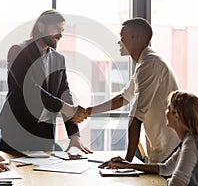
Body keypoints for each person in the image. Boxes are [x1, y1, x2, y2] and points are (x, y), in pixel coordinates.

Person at [74, 17, 180, 163]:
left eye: (122, 36)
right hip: (162, 148)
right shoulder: (144, 63)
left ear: (136, 38)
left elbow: (135, 117)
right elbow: (123, 98)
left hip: (170, 148)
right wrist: (88, 111)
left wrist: (127, 161)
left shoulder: (150, 64)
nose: (119, 41)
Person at [0, 9, 92, 154]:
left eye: (62, 30)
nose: (60, 34)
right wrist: (66, 108)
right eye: (56, 29)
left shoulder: (59, 59)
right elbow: (30, 89)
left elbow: (64, 95)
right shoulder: (18, 51)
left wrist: (74, 136)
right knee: (16, 174)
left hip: (45, 133)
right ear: (41, 27)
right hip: (17, 131)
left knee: (45, 175)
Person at [104, 90, 198, 186]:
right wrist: (127, 165)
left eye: (168, 108)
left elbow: (177, 183)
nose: (165, 112)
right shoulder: (190, 140)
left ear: (177, 115)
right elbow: (166, 168)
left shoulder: (190, 142)